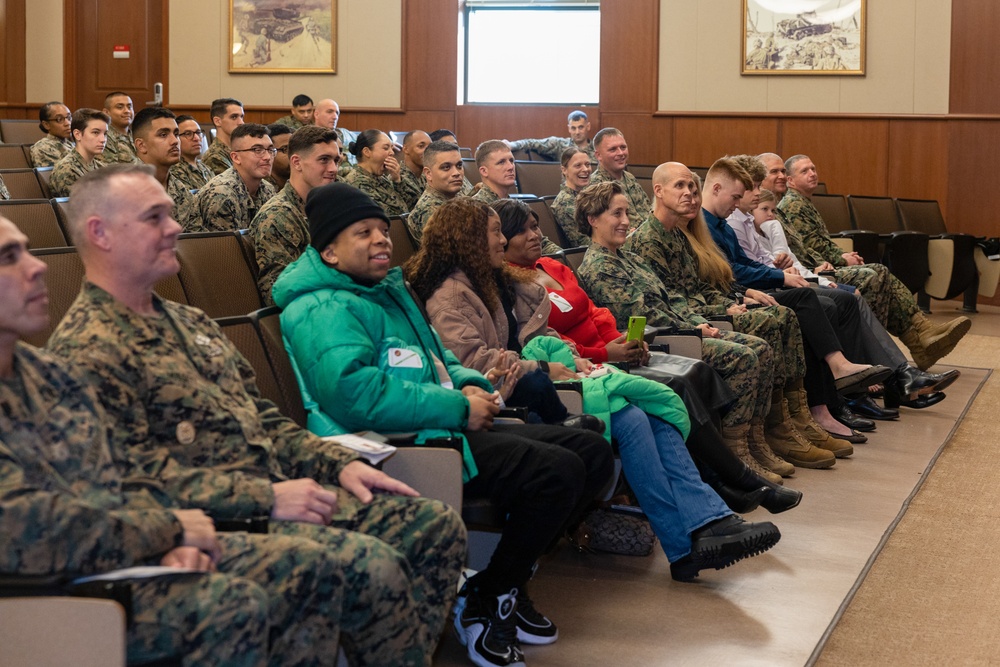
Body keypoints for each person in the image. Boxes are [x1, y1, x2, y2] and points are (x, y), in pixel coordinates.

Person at [49, 165, 467, 666]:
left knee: (430, 525)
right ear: (100, 233)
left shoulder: (189, 321)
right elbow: (132, 479)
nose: (175, 227)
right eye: (154, 217)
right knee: (363, 565)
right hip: (213, 518)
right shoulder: (88, 349)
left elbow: (260, 417)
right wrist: (265, 497)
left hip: (274, 490)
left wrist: (332, 462)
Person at [270, 184, 607, 667]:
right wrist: (456, 407)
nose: (381, 240)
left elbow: (438, 357)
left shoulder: (387, 290)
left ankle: (496, 587)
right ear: (328, 250)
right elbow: (355, 396)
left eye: (383, 231)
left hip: (441, 426)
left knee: (589, 451)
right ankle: (489, 596)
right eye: (362, 233)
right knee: (557, 472)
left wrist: (471, 383)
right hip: (393, 447)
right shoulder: (321, 306)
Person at [0, 214, 357, 666]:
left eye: (28, 250)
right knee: (232, 604)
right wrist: (164, 531)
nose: (36, 267)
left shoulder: (47, 374)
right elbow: (25, 526)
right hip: (32, 596)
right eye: (8, 258)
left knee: (306, 567)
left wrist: (167, 533)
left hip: (107, 557)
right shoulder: (79, 352)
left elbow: (118, 473)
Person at [408, 195, 782, 585]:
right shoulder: (451, 298)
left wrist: (567, 353)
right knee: (634, 418)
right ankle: (690, 540)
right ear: (467, 239)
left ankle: (708, 524)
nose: (502, 241)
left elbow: (534, 335)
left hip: (543, 378)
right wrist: (544, 365)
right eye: (495, 233)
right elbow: (476, 366)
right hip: (516, 395)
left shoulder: (491, 282)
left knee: (651, 412)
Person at [496, 197, 803, 512]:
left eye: (535, 226)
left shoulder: (553, 265)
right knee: (677, 385)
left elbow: (596, 313)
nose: (534, 235)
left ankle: (727, 484)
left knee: (692, 376)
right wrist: (607, 352)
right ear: (503, 239)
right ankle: (736, 483)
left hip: (612, 348)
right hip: (587, 364)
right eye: (522, 231)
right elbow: (550, 344)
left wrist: (624, 341)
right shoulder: (511, 285)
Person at [575, 181, 840, 473]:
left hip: (683, 327)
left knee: (762, 346)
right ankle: (735, 454)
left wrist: (697, 322)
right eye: (616, 214)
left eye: (626, 213)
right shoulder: (599, 266)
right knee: (745, 357)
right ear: (592, 219)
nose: (626, 221)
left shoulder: (629, 258)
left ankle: (761, 439)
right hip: (656, 343)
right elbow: (642, 316)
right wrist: (693, 329)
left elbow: (673, 297)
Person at [750, 189, 959, 412]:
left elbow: (799, 260)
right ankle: (894, 379)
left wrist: (823, 279)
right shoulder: (754, 225)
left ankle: (900, 370)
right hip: (779, 286)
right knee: (848, 293)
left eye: (772, 210)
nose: (772, 214)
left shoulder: (774, 227)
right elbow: (757, 268)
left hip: (807, 276)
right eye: (765, 209)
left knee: (853, 295)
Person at [764, 152, 971, 370]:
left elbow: (802, 248)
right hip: (802, 275)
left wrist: (832, 259)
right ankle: (885, 353)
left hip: (813, 268)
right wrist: (837, 259)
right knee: (875, 276)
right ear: (791, 181)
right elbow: (805, 249)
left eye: (813, 169)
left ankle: (919, 337)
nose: (812, 173)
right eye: (804, 171)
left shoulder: (788, 206)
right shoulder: (790, 205)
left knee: (878, 272)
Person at [251, 125, 340, 305]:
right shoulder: (278, 215)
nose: (333, 169)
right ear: (297, 162)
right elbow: (278, 293)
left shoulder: (328, 208)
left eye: (336, 160)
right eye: (324, 159)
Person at [196, 123, 277, 232]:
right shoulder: (221, 195)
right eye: (257, 150)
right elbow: (224, 247)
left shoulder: (268, 189)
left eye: (271, 150)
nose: (267, 157)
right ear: (236, 157)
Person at [132, 106, 200, 229]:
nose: (175, 141)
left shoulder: (181, 191)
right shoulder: (123, 190)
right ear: (141, 145)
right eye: (163, 135)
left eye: (176, 134)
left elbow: (196, 240)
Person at [588, 128, 652, 228]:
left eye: (623, 147)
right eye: (613, 149)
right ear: (598, 155)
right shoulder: (596, 186)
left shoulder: (629, 177)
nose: (621, 153)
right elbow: (604, 229)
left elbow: (648, 212)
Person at [406, 140, 465, 246]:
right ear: (428, 174)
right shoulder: (430, 211)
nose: (456, 173)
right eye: (446, 167)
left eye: (459, 166)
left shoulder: (455, 200)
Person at [342, 129, 409, 216]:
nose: (392, 153)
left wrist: (397, 181)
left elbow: (411, 207)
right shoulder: (357, 183)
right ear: (367, 152)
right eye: (386, 148)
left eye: (392, 148)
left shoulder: (381, 177)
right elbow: (391, 217)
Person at [49, 109, 108, 198]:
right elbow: (85, 207)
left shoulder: (101, 167)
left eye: (105, 134)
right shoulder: (67, 170)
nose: (103, 139)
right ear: (77, 134)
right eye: (96, 132)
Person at [507, 109, 596, 162]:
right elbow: (532, 143)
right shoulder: (560, 145)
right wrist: (512, 145)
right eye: (573, 128)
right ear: (569, 128)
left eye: (580, 127)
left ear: (588, 126)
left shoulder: (598, 149)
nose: (577, 132)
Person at [550, 146, 593, 247]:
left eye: (587, 164)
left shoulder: (589, 196)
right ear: (564, 170)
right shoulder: (564, 202)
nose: (586, 169)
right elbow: (582, 243)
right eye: (578, 166)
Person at [169, 114, 215, 191]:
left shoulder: (206, 168)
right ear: (176, 138)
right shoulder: (174, 170)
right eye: (188, 134)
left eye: (198, 132)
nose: (196, 138)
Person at [202, 97, 245, 175]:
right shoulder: (214, 157)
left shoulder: (237, 150)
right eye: (234, 117)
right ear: (217, 121)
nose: (241, 122)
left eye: (241, 117)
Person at [429, 128, 475, 195]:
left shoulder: (456, 169)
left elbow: (467, 197)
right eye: (447, 146)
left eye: (455, 145)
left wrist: (476, 190)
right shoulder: (434, 174)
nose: (453, 149)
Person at [29, 101, 74, 168]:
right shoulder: (43, 148)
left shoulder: (71, 143)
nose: (68, 123)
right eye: (59, 119)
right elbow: (66, 172)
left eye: (69, 117)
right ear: (46, 125)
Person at [100, 91, 138, 164]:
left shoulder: (137, 135)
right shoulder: (104, 138)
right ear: (106, 112)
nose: (127, 111)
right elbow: (111, 170)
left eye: (129, 107)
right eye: (120, 107)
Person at [399, 129, 431, 208]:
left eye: (430, 147)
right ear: (406, 149)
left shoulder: (427, 176)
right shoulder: (398, 178)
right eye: (421, 146)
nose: (428, 151)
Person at [265, 122, 293, 191]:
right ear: (270, 152)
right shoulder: (263, 187)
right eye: (285, 149)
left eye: (294, 148)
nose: (293, 154)